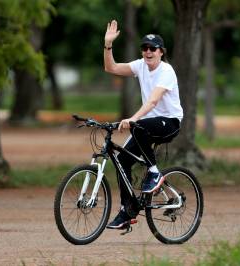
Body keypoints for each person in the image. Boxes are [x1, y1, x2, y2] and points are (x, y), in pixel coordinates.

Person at [103, 20, 183, 229]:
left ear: (161, 52)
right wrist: (108, 45)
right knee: (122, 161)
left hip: (170, 122)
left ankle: (154, 172)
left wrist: (132, 119)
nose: (147, 52)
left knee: (140, 126)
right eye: (144, 48)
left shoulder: (167, 71)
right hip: (146, 125)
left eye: (152, 49)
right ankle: (127, 210)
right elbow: (110, 67)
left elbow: (153, 101)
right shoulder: (140, 66)